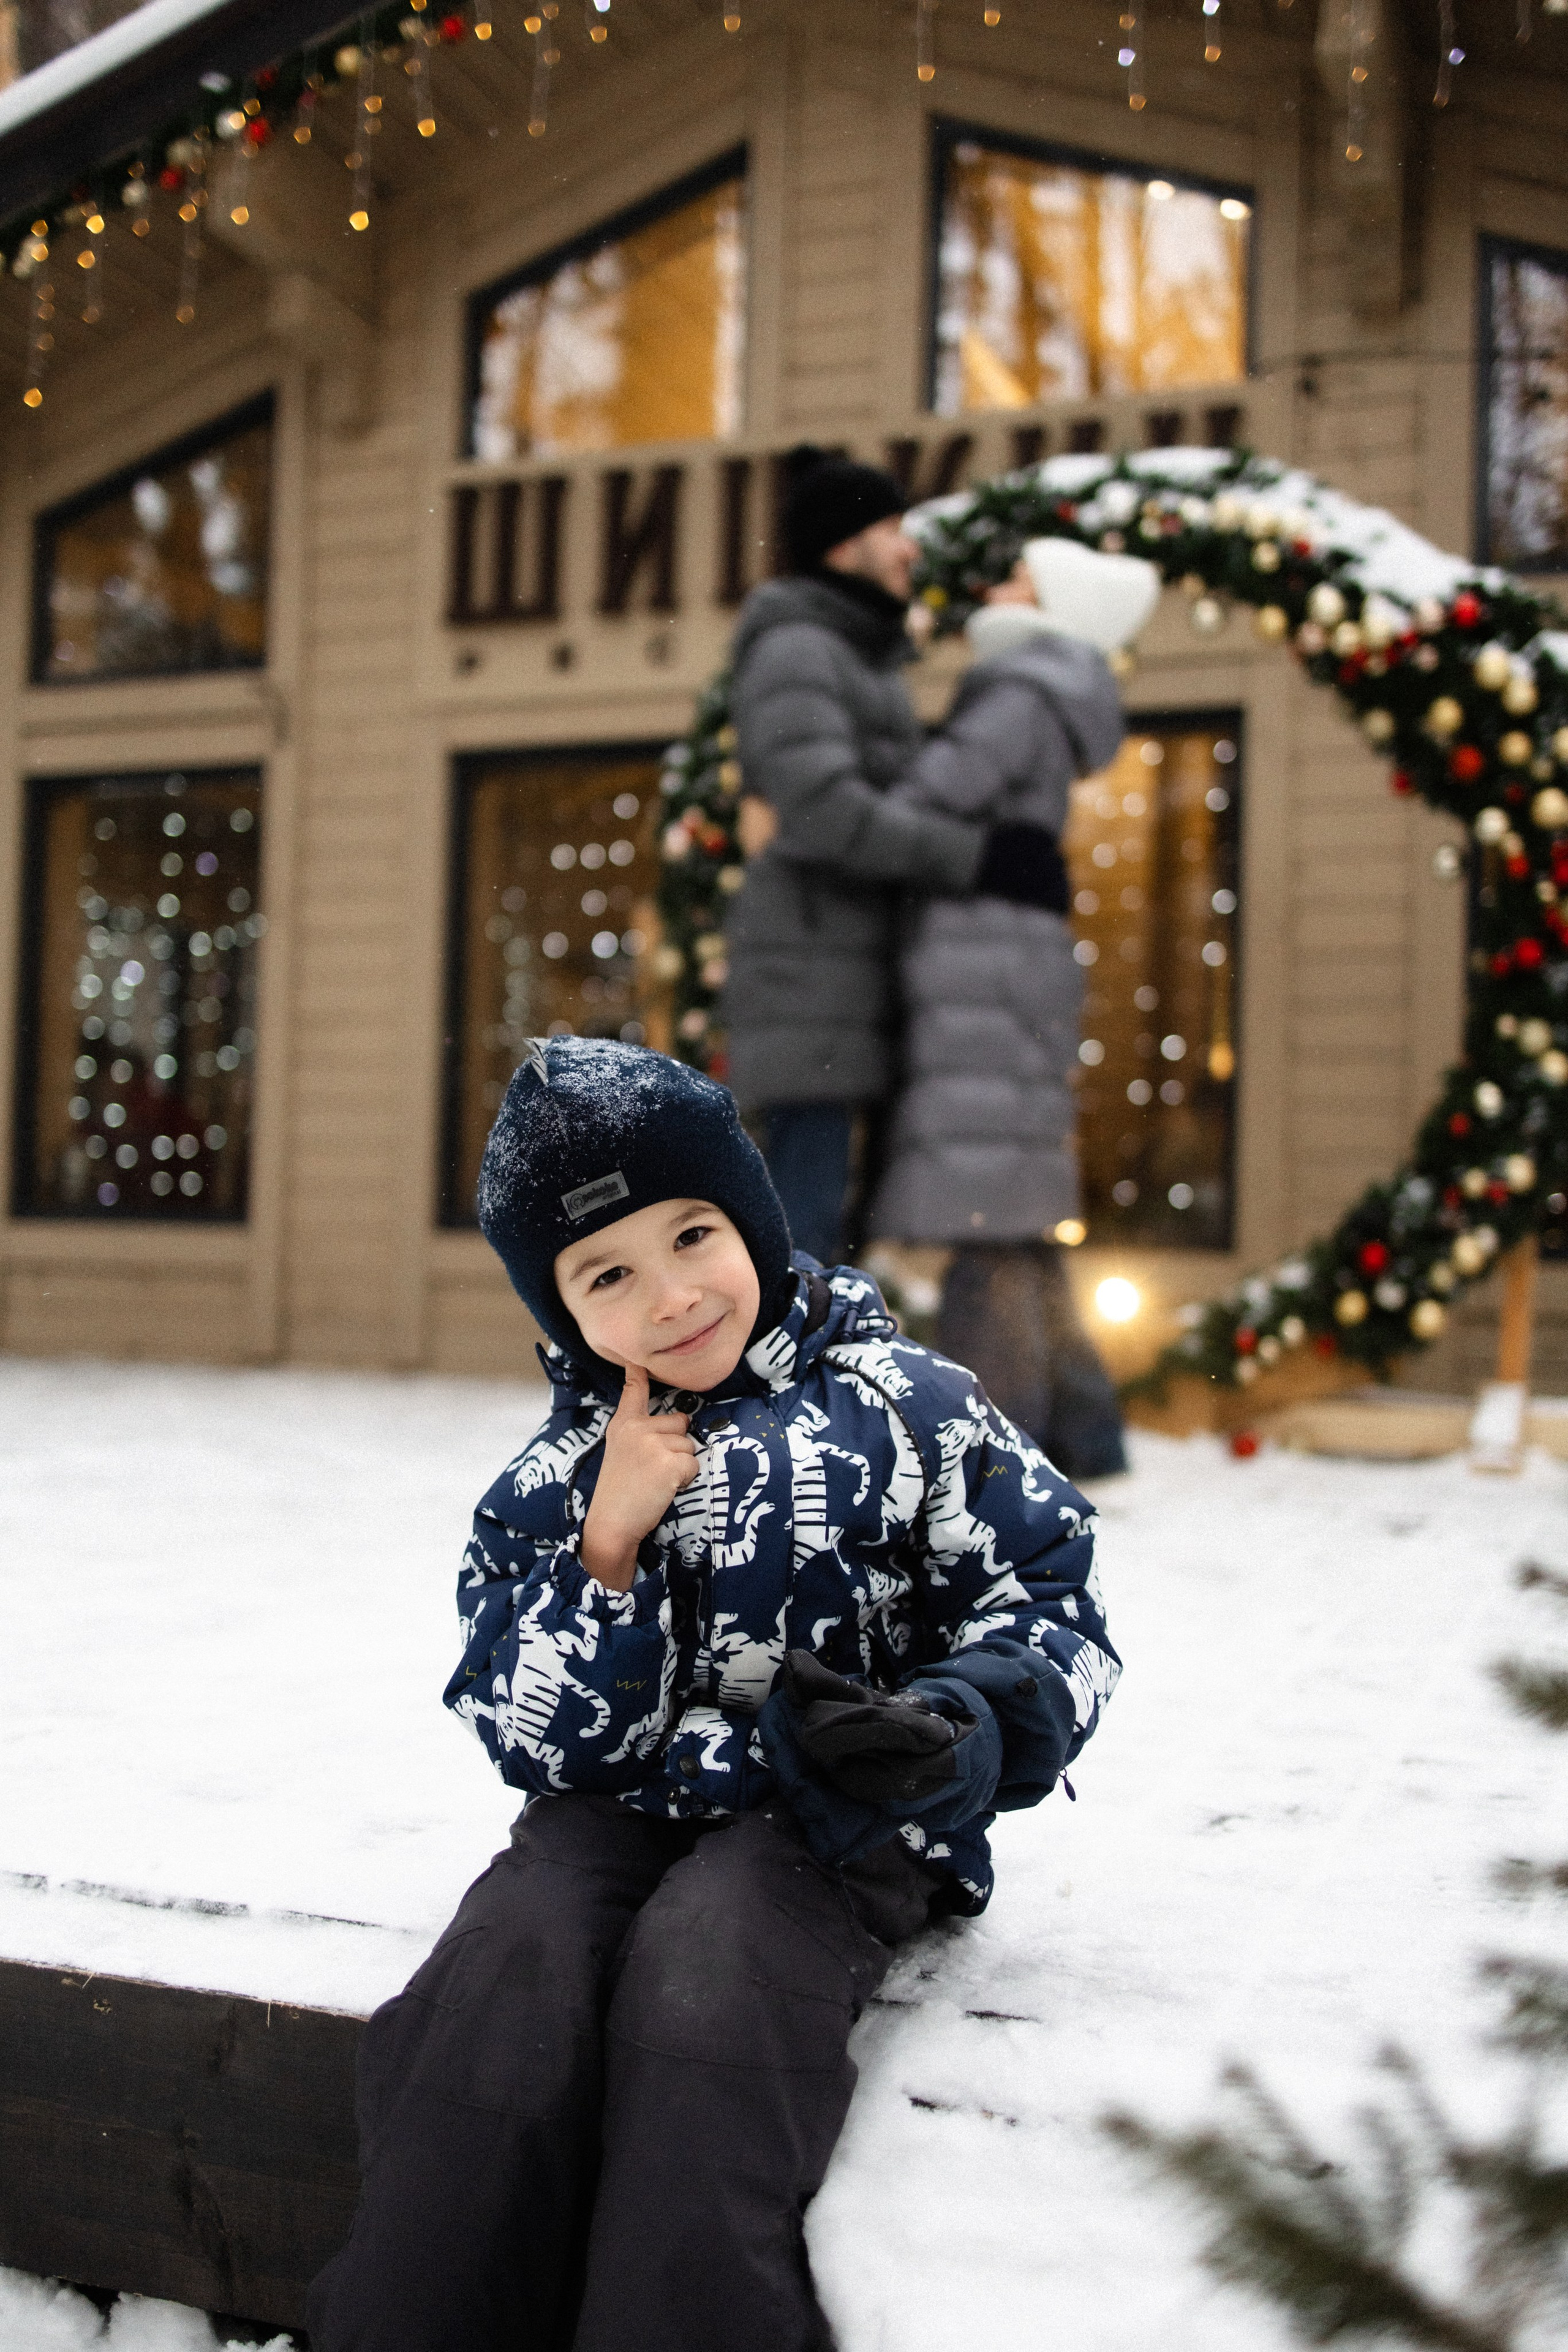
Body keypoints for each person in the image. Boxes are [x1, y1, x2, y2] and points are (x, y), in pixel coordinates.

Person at [308, 1034, 1119, 2352]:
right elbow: (521, 1722)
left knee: (707, 1970)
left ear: (752, 1218)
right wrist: (607, 1550)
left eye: (693, 1235)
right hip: (614, 1813)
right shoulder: (556, 1480)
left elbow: (1049, 1599)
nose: (673, 1296)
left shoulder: (907, 1408)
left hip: (830, 1813)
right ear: (564, 1314)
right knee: (509, 1974)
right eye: (608, 1275)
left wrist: (961, 1724)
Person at [867, 536, 1161, 1483]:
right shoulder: (1052, 692)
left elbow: (929, 796)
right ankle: (1086, 1436)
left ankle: (990, 1466)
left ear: (1053, 605)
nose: (998, 585)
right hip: (1013, 959)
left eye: (1021, 577)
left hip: (980, 960)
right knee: (1015, 1212)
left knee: (986, 1212)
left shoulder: (1019, 690)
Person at [722, 447, 1057, 1264]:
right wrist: (975, 858)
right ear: (844, 544)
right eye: (892, 527)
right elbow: (824, 813)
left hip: (849, 987)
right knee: (802, 1245)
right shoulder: (800, 650)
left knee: (833, 1242)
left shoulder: (852, 653)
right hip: (812, 991)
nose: (911, 547)